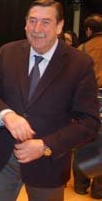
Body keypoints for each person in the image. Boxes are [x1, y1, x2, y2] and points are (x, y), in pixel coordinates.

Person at [0, 0, 101, 201]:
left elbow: (89, 122)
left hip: (48, 164)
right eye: (32, 20)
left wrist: (45, 146)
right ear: (25, 22)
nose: (37, 28)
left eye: (45, 22)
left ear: (60, 26)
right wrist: (7, 115)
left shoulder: (79, 64)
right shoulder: (8, 52)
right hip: (4, 160)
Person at [73, 13, 102, 199]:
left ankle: (80, 185)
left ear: (89, 30)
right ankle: (99, 190)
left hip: (87, 100)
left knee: (83, 142)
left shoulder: (81, 49)